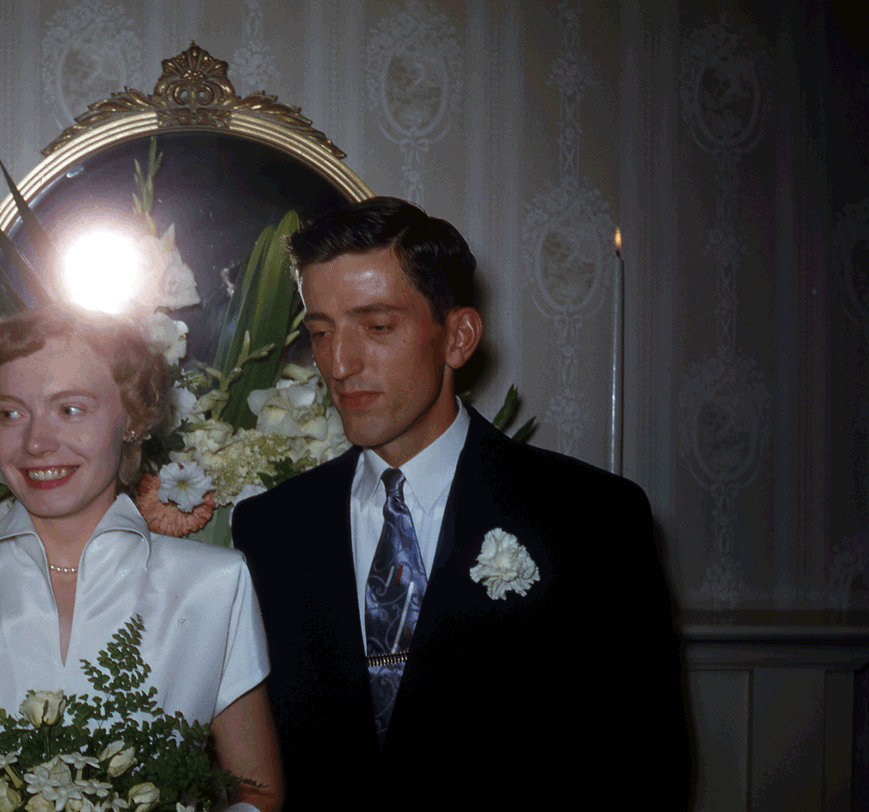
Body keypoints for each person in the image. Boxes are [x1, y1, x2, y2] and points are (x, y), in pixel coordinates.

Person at [232, 197, 689, 810]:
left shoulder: (591, 519)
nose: (339, 364)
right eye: (320, 332)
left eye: (377, 327)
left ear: (458, 338)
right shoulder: (270, 529)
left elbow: (646, 768)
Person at [0, 306, 283, 812]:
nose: (36, 442)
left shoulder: (214, 584)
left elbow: (257, 790)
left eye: (70, 409)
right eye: (10, 413)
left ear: (133, 418)